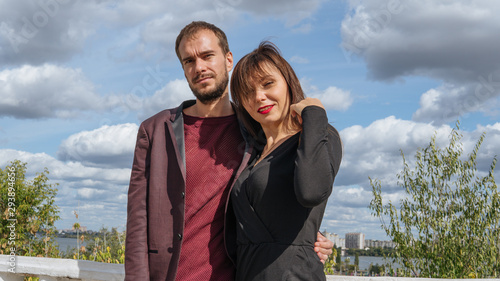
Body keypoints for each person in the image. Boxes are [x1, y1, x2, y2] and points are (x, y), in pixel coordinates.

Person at [125, 21, 334, 280]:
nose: (199, 67)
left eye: (207, 56)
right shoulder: (155, 130)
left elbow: (274, 195)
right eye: (188, 61)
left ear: (228, 59)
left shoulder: (256, 129)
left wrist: (312, 234)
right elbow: (138, 222)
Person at [227, 41, 342, 280]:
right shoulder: (252, 153)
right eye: (247, 92)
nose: (259, 97)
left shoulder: (317, 135)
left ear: (289, 83)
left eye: (268, 84)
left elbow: (311, 192)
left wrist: (314, 112)